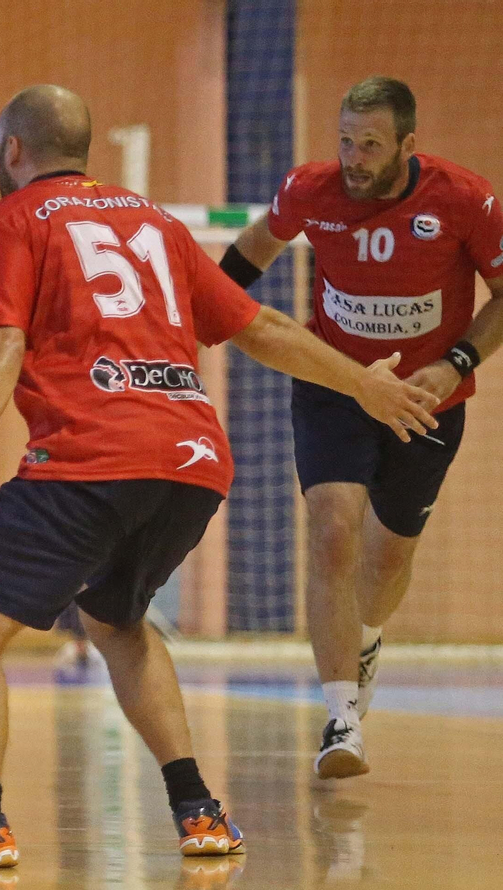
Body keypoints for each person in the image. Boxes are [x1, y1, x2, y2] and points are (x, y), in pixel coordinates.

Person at [0, 85, 439, 869]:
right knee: (117, 622)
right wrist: (362, 384)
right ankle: (199, 812)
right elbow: (262, 325)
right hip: (193, 463)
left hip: (93, 458)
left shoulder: (6, 223)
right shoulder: (157, 223)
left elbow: (0, 340)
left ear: (12, 149)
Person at [221, 76, 503, 779]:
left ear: (408, 144)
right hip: (336, 387)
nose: (353, 157)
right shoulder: (309, 189)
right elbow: (254, 248)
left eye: (370, 144)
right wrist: (193, 314)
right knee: (333, 529)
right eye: (345, 140)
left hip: (423, 400)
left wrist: (456, 364)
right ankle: (341, 719)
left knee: (387, 559)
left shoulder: (465, 199)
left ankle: (367, 637)